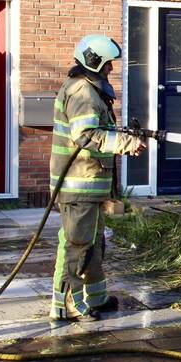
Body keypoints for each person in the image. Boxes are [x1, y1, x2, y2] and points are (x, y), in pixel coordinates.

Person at [49, 34, 145, 321]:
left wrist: (124, 137)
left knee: (93, 244)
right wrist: (125, 143)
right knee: (78, 246)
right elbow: (86, 135)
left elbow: (98, 129)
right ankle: (68, 305)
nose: (111, 70)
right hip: (78, 186)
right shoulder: (82, 91)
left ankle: (96, 297)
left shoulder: (89, 89)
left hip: (89, 185)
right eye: (108, 65)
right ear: (94, 61)